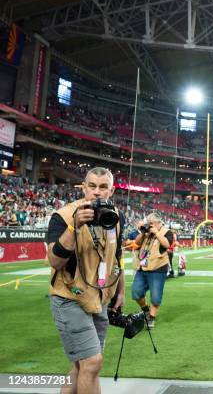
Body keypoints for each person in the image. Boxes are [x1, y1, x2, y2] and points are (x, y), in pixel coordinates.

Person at [46, 167, 125, 394]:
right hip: (69, 297)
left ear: (112, 190)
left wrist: (120, 291)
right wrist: (74, 226)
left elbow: (117, 257)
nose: (97, 192)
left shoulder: (115, 216)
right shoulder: (63, 216)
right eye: (92, 186)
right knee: (92, 362)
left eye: (103, 187)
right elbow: (55, 261)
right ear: (84, 187)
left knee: (82, 365)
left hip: (98, 298)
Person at [131, 213, 173, 328]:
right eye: (148, 223)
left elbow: (167, 244)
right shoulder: (147, 231)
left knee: (155, 296)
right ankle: (145, 309)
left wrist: (157, 233)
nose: (149, 225)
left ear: (159, 223)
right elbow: (138, 242)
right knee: (136, 292)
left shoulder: (166, 232)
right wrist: (143, 232)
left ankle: (152, 317)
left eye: (152, 223)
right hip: (143, 267)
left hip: (158, 268)